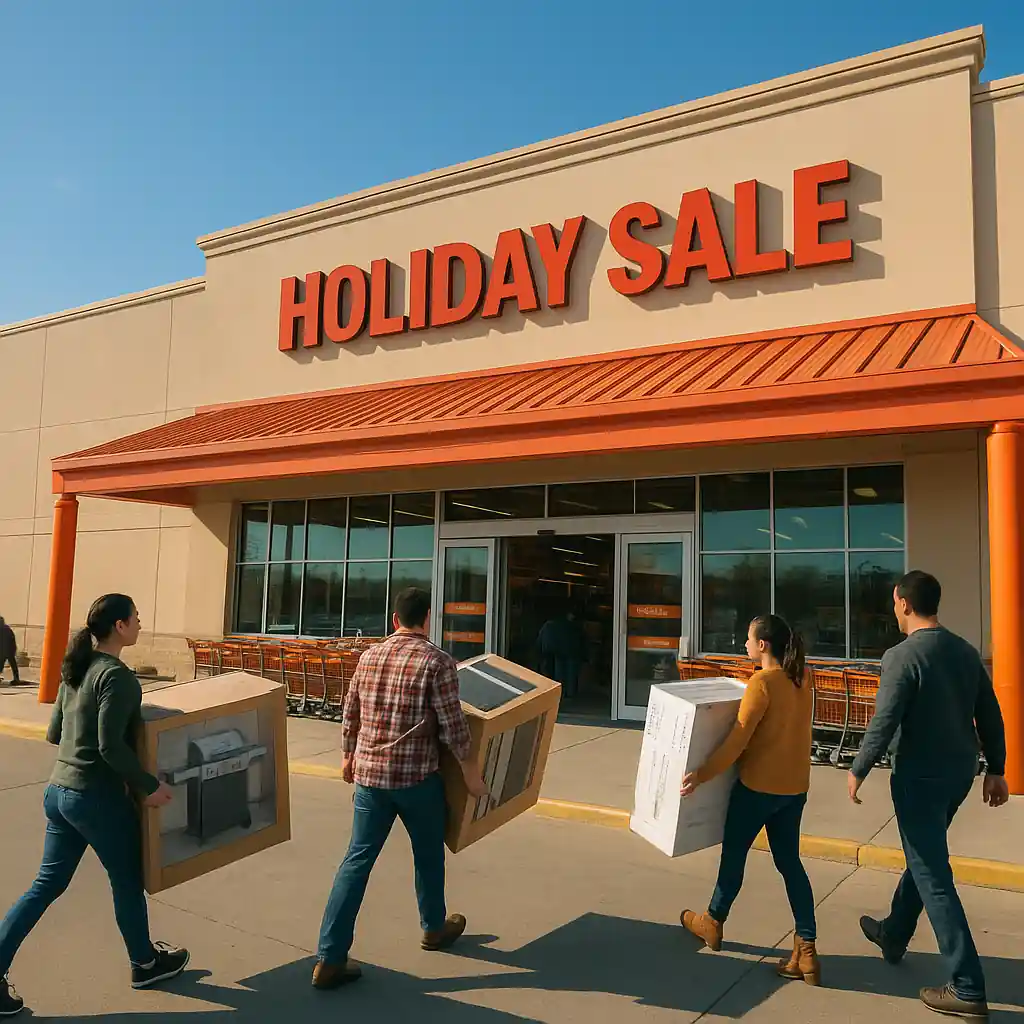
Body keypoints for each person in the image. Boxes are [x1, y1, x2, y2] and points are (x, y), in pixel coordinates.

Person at [0, 594, 190, 1018]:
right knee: (126, 880)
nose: (140, 623)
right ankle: (145, 964)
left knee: (45, 886)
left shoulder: (78, 668)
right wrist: (148, 786)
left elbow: (55, 733)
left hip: (59, 792)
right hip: (96, 798)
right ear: (120, 627)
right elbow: (109, 747)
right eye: (136, 618)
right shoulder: (118, 678)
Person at [848, 570, 1008, 1019]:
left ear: (903, 603)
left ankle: (967, 986)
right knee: (926, 856)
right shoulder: (964, 651)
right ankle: (894, 933)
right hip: (958, 774)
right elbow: (990, 712)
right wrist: (996, 769)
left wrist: (859, 768)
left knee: (933, 873)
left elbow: (885, 717)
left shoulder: (902, 656)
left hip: (919, 778)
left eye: (894, 602)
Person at [313, 587, 489, 990]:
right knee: (427, 855)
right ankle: (433, 927)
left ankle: (329, 957)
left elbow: (351, 710)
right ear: (427, 618)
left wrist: (347, 755)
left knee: (356, 862)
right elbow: (454, 727)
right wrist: (471, 775)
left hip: (370, 779)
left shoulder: (369, 656)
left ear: (395, 620)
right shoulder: (438, 662)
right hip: (415, 779)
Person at [680, 614, 820, 985]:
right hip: (795, 789)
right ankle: (806, 949)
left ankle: (712, 921)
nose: (744, 644)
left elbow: (736, 741)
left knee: (734, 856)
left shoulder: (762, 683)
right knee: (790, 863)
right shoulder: (803, 677)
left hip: (758, 788)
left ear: (762, 645)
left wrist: (701, 774)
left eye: (748, 639)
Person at [537, 608, 587, 698]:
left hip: (559, 651)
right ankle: (569, 693)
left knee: (560, 673)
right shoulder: (575, 626)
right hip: (571, 651)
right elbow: (581, 640)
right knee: (570, 674)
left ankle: (561, 692)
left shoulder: (554, 624)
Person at [0, 617, 20, 686]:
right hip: (9, 651)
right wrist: (14, 649)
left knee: (1, 664)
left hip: (4, 651)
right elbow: (13, 640)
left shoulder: (6, 629)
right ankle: (16, 679)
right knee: (13, 665)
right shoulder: (7, 629)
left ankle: (16, 679)